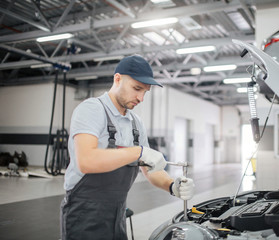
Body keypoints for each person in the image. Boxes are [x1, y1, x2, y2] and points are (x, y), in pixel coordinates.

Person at [60, 55, 195, 240]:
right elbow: (86, 161)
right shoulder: (92, 109)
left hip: (118, 213)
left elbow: (151, 171)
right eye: (137, 88)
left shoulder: (136, 123)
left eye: (145, 92)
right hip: (84, 214)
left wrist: (172, 186)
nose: (140, 98)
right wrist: (138, 152)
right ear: (117, 79)